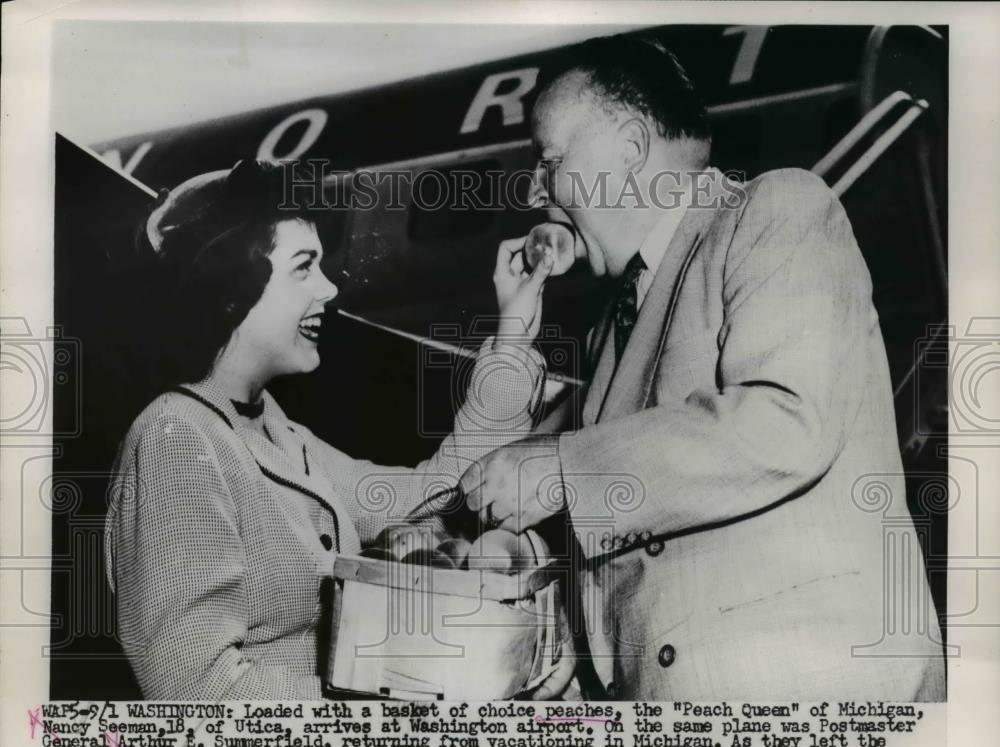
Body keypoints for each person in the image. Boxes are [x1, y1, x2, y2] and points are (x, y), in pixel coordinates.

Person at [460, 34, 947, 700]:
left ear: (630, 148)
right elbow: (599, 506)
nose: (537, 188)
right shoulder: (611, 329)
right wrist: (565, 637)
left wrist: (559, 468)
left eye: (549, 160)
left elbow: (786, 421)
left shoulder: (780, 209)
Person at [104, 158, 553, 700]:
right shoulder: (176, 438)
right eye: (303, 267)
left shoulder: (273, 430)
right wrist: (380, 708)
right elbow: (193, 691)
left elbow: (444, 487)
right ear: (231, 289)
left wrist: (513, 332)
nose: (330, 289)